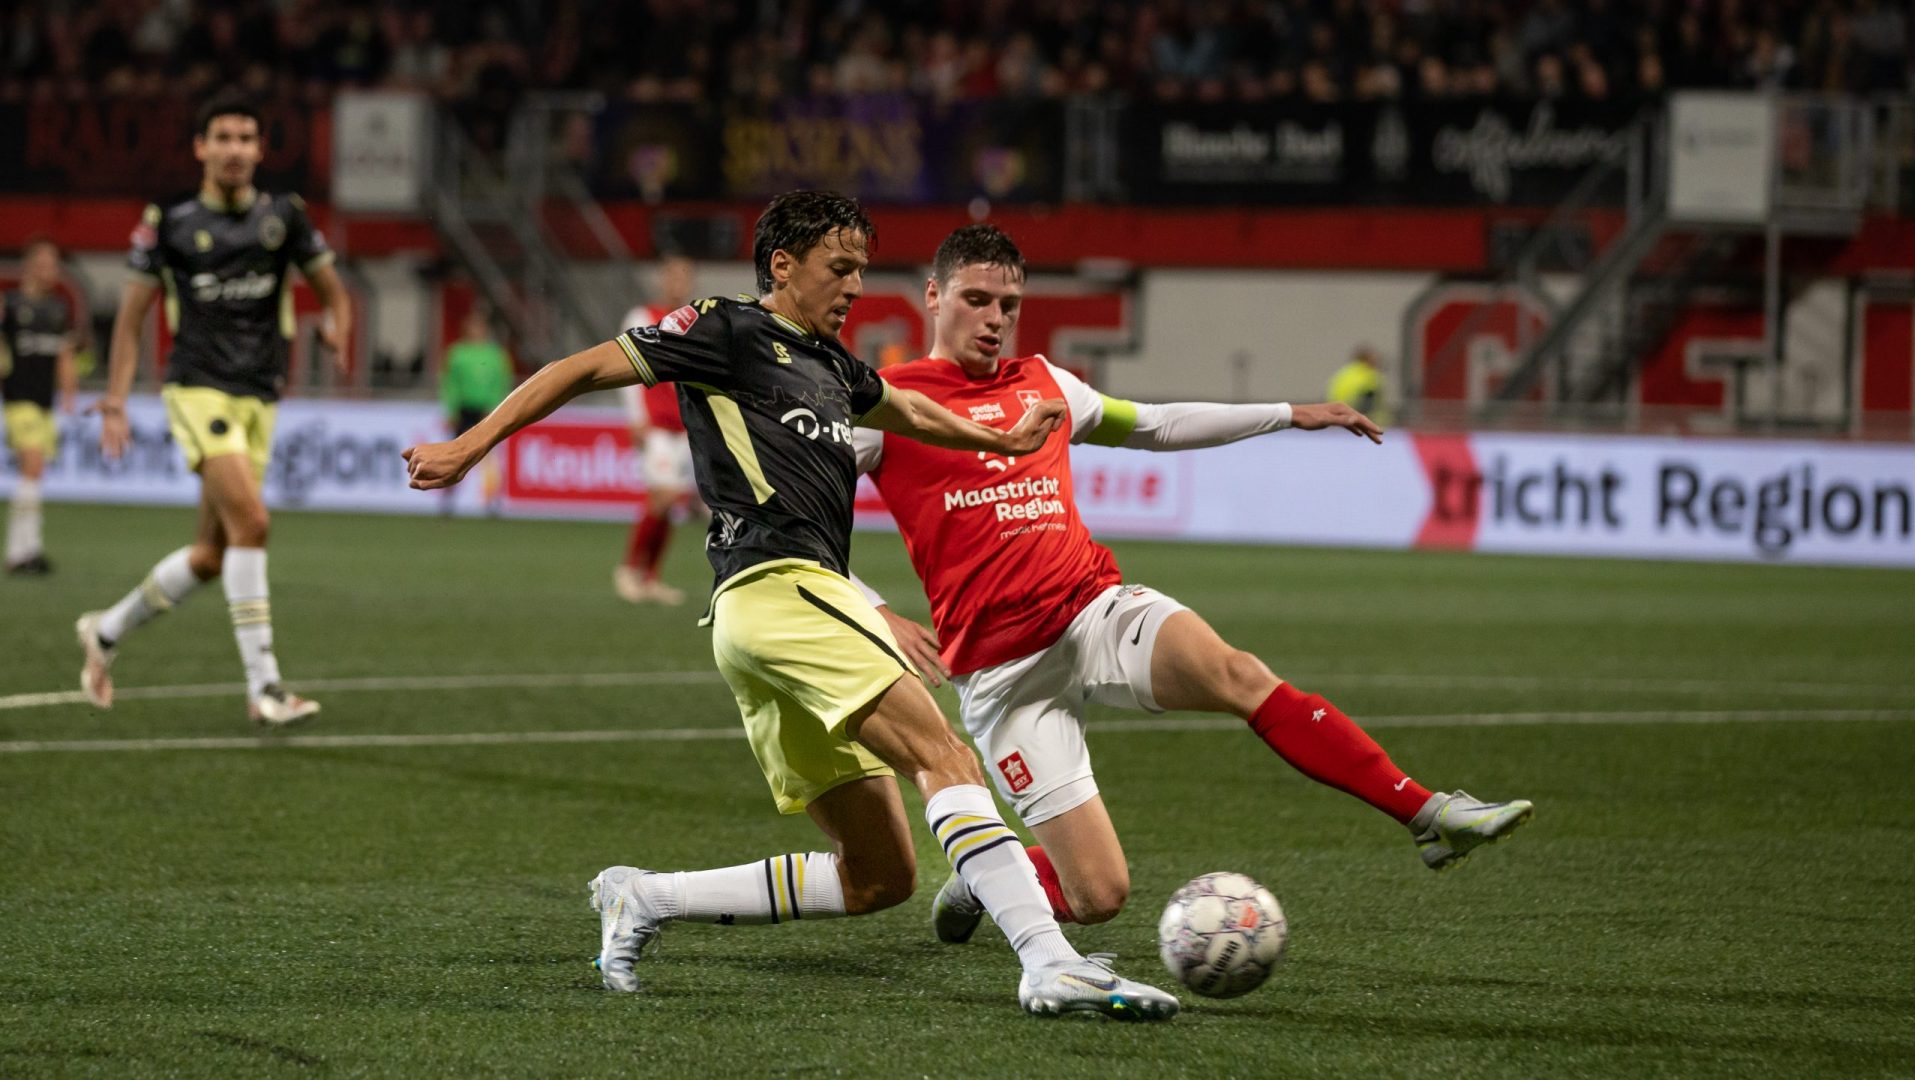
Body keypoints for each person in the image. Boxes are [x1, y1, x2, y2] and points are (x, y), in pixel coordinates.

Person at [402, 191, 1178, 1020]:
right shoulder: (725, 329)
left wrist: (1000, 438)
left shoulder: (837, 365)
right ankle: (1050, 962)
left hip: (758, 621)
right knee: (944, 757)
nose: (853, 288)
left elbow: (908, 409)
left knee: (880, 875)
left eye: (861, 271)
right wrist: (469, 443)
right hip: (784, 587)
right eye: (838, 269)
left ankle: (647, 897)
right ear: (783, 264)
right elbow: (579, 368)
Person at [846, 225, 1533, 941]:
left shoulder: (1046, 383)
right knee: (1100, 895)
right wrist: (876, 613)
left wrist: (1288, 414)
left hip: (1092, 610)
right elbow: (800, 517)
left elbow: (1156, 425)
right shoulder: (887, 405)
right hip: (1001, 670)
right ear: (934, 295)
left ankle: (1426, 813)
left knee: (1236, 672)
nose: (993, 319)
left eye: (1008, 304)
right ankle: (992, 876)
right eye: (976, 299)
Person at [76, 90, 353, 727]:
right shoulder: (169, 222)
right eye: (221, 137)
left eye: (245, 138)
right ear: (201, 148)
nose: (234, 149)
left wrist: (337, 326)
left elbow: (335, 294)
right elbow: (131, 320)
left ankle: (107, 632)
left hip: (260, 393)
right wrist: (116, 399)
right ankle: (266, 688)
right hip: (198, 388)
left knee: (211, 556)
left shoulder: (286, 216)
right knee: (253, 523)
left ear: (260, 150)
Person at [614, 254, 697, 605]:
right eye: (673, 277)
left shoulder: (696, 321)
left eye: (685, 277)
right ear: (662, 281)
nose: (678, 284)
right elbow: (625, 369)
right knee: (661, 497)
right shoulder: (642, 317)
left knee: (671, 503)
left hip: (684, 427)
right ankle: (629, 569)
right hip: (656, 425)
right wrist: (636, 416)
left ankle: (651, 577)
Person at [1, 238, 78, 575]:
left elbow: (64, 355)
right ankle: (21, 552)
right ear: (30, 266)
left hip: (46, 403)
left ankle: (25, 550)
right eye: (46, 264)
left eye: (56, 264)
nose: (52, 271)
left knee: (35, 473)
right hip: (19, 399)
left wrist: (70, 394)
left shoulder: (59, 309)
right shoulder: (10, 306)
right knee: (32, 467)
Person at [438, 303, 514, 513]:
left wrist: (495, 407)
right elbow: (450, 383)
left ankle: (492, 500)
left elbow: (501, 383)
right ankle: (448, 498)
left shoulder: (496, 355)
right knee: (456, 454)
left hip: (486, 410)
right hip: (464, 409)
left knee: (489, 456)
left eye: (479, 326)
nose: (475, 329)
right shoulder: (457, 353)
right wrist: (451, 409)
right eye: (472, 325)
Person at [1327, 344, 1384, 417]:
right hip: (1357, 418)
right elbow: (1368, 403)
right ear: (1366, 360)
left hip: (1336, 415)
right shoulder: (1369, 376)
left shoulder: (1345, 372)